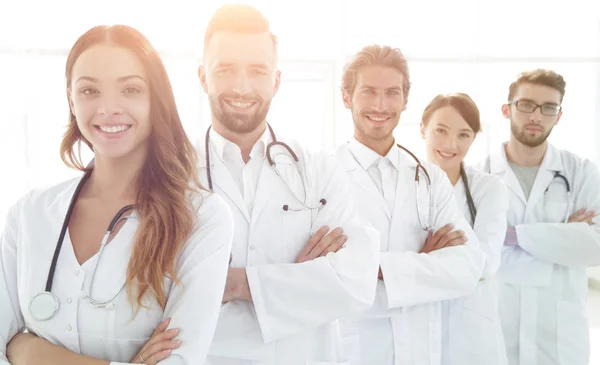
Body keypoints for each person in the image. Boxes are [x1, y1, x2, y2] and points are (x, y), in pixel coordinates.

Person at [0, 25, 234, 365]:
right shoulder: (30, 213)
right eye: (90, 91)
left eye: (130, 89)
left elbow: (180, 361)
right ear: (71, 99)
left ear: (156, 98)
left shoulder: (201, 218)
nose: (109, 108)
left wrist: (29, 351)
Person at [195, 4, 380, 365]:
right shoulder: (171, 175)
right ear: (203, 77)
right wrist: (298, 280)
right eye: (226, 69)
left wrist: (236, 284)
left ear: (276, 81)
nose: (242, 86)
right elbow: (160, 288)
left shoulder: (318, 170)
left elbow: (356, 283)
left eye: (258, 70)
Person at [333, 45, 486, 365]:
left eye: (391, 93)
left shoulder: (431, 178)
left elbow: (467, 268)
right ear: (346, 97)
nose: (380, 104)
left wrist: (375, 269)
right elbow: (325, 276)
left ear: (405, 99)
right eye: (368, 92)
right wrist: (422, 264)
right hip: (352, 350)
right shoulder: (323, 178)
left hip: (420, 348)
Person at [478, 69, 600, 365]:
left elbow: (593, 246)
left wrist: (513, 236)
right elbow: (477, 253)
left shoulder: (582, 172)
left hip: (559, 334)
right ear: (507, 110)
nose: (536, 115)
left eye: (548, 108)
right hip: (497, 324)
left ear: (558, 116)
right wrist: (560, 236)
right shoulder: (479, 176)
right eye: (526, 104)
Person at [420, 93, 508, 365]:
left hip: (472, 333)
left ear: (473, 138)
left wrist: (422, 260)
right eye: (441, 131)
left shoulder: (489, 188)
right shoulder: (400, 187)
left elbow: (484, 265)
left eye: (464, 135)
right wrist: (456, 259)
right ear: (423, 129)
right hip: (417, 325)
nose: (450, 144)